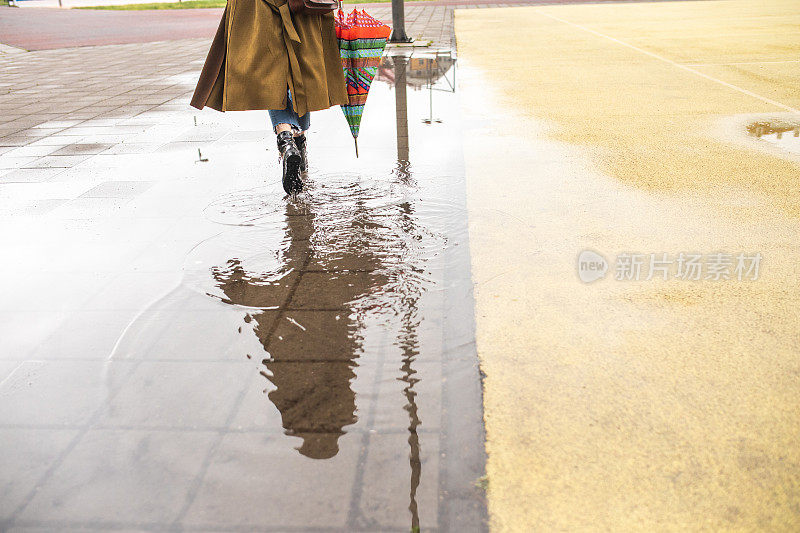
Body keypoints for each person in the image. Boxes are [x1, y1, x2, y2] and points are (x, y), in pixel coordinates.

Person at [190, 0, 348, 195]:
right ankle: (298, 141)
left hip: (257, 7)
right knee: (303, 66)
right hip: (299, 6)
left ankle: (287, 142)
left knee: (274, 71)